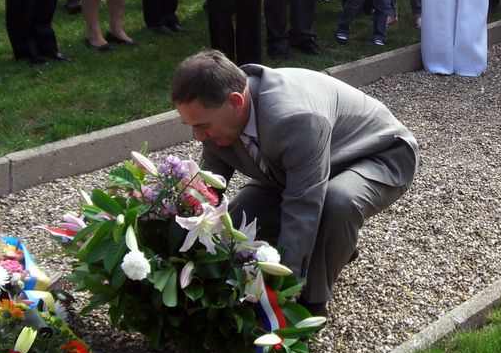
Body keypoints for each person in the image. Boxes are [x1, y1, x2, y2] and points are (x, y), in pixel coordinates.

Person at [172, 49, 419, 316]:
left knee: (337, 203)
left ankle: (313, 304)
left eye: (202, 126)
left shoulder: (294, 119)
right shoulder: (217, 119)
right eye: (191, 126)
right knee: (241, 216)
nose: (198, 137)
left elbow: (303, 207)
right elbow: (207, 191)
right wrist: (173, 251)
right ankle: (337, 245)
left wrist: (283, 292)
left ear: (235, 102)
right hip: (308, 166)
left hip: (377, 154)